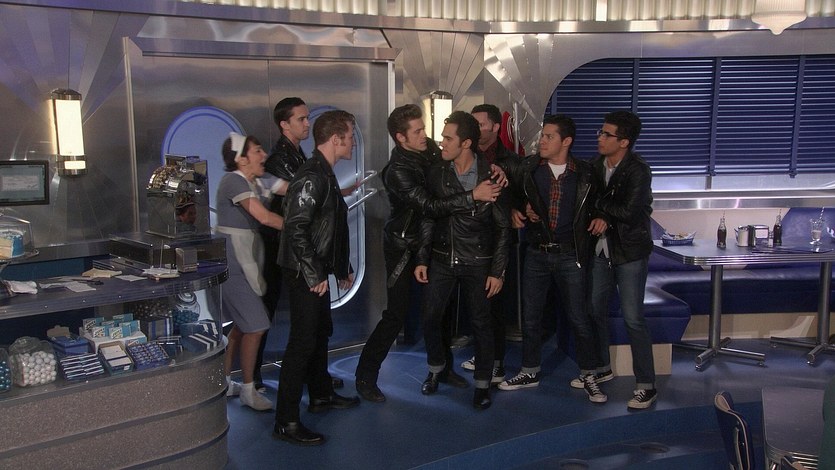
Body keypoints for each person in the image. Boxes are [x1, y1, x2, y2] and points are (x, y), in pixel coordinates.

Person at [353, 104, 502, 403]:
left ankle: (442, 369)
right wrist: (474, 195)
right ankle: (365, 376)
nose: (426, 135)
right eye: (418, 131)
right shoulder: (397, 171)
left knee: (438, 311)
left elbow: (462, 155)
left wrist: (493, 167)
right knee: (396, 315)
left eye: (424, 128)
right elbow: (430, 207)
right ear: (401, 137)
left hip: (434, 242)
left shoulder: (430, 150)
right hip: (404, 246)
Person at [497, 115, 603, 403]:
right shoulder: (529, 168)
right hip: (537, 252)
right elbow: (508, 195)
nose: (542, 141)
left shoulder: (585, 173)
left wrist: (602, 217)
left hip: (571, 254)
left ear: (566, 141)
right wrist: (518, 209)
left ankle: (589, 374)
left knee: (579, 317)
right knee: (530, 317)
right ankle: (529, 370)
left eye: (549, 137)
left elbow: (600, 203)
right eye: (542, 136)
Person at [415, 111, 511, 410]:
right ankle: (436, 369)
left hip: (479, 260)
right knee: (430, 317)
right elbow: (429, 214)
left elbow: (503, 228)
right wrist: (422, 258)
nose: (441, 143)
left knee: (481, 324)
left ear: (466, 143)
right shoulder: (437, 172)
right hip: (442, 258)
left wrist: (498, 271)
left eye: (448, 138)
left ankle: (482, 385)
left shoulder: (491, 175)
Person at [273, 109, 359, 446]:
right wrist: (313, 273)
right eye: (349, 137)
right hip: (304, 272)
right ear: (336, 139)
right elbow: (296, 228)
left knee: (321, 332)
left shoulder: (324, 172)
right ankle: (286, 421)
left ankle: (321, 395)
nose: (353, 142)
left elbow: (329, 228)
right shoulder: (312, 175)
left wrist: (341, 267)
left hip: (316, 269)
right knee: (302, 343)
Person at [587, 110, 657, 410]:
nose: (600, 138)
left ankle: (646, 384)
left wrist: (601, 210)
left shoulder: (638, 170)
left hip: (629, 252)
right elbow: (585, 204)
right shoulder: (594, 165)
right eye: (600, 132)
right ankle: (602, 367)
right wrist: (601, 212)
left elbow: (630, 211)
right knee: (594, 309)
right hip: (600, 250)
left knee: (633, 318)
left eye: (607, 134)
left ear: (624, 142)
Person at [215, 132, 284, 412]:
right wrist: (300, 227)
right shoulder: (233, 181)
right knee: (256, 325)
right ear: (241, 159)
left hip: (249, 260)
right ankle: (247, 388)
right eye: (257, 151)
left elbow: (291, 187)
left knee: (242, 326)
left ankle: (224, 382)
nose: (264, 155)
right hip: (232, 264)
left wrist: (340, 190)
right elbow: (263, 216)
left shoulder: (256, 181)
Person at [458, 104, 523, 383]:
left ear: (496, 127)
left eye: (481, 124)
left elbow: (523, 195)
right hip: (470, 242)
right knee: (478, 305)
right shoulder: (465, 156)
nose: (475, 129)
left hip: (498, 243)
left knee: (494, 303)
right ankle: (484, 354)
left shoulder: (512, 161)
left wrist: (516, 209)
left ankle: (496, 363)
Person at [256, 97, 309, 392]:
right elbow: (300, 193)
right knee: (266, 307)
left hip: (288, 242)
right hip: (278, 244)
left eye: (307, 118)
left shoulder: (298, 154)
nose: (307, 124)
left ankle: (309, 373)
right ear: (284, 125)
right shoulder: (280, 158)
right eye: (301, 119)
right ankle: (253, 374)